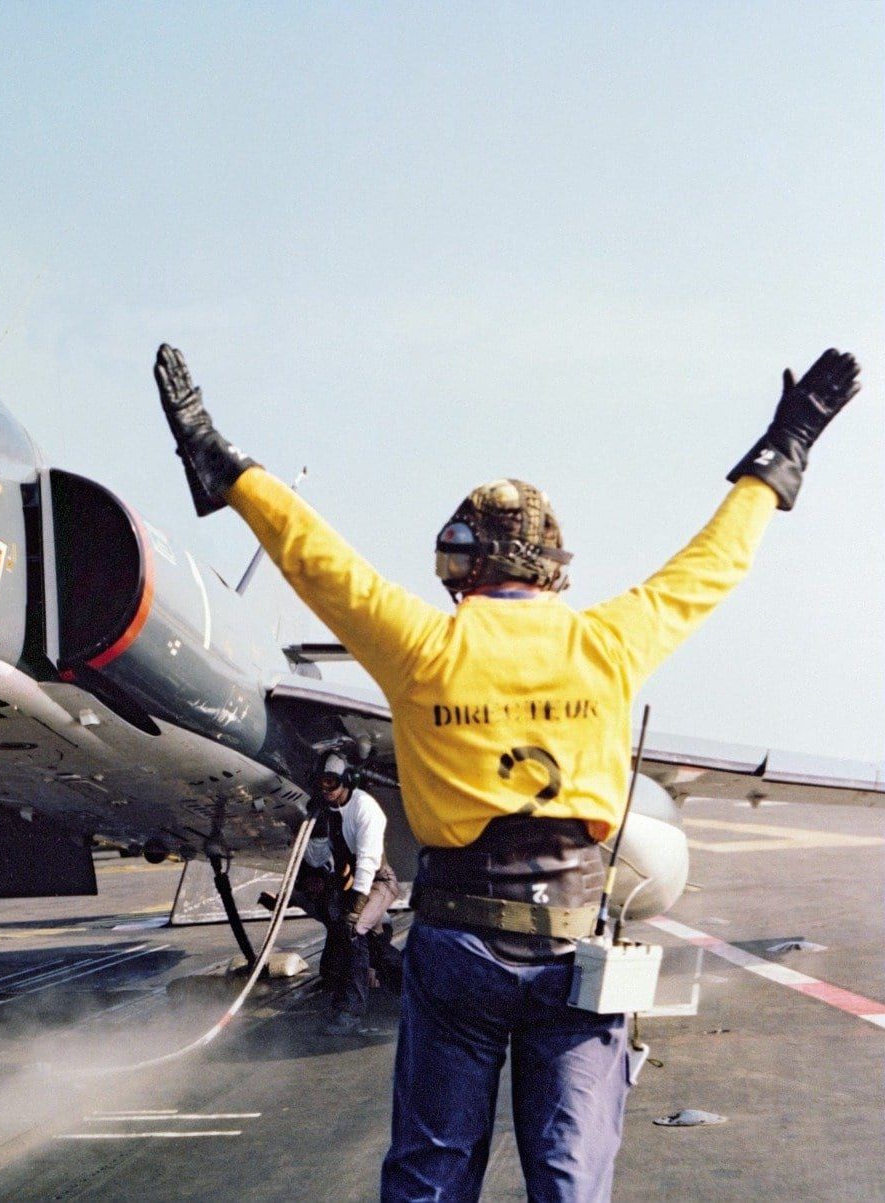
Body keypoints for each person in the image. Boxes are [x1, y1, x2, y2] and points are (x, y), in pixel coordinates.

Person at [152, 343, 860, 1202]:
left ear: (464, 564)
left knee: (430, 1177)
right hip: (571, 942)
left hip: (457, 944)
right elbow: (714, 562)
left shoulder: (421, 644)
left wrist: (220, 459)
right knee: (568, 1180)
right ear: (553, 567)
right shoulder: (610, 642)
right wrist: (787, 446)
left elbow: (312, 556)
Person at [293, 748, 394, 1035]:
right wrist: (317, 832)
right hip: (348, 883)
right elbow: (315, 859)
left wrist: (356, 906)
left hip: (377, 881)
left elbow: (368, 861)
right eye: (320, 784)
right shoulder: (327, 810)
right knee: (372, 945)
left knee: (355, 933)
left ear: (346, 781)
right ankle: (406, 987)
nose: (326, 790)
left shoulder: (365, 808)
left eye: (331, 783)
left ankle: (350, 1012)